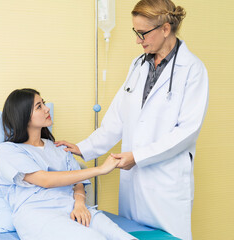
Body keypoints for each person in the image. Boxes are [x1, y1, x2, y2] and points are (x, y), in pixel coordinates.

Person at [55, 1, 209, 240]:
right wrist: (83, 147)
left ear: (166, 29)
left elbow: (187, 131)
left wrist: (138, 157)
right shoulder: (137, 65)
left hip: (166, 183)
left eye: (142, 33)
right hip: (133, 184)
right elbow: (117, 118)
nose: (138, 40)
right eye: (135, 33)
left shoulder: (192, 69)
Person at [0, 88, 137, 240]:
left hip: (73, 208)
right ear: (23, 116)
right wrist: (100, 169)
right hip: (38, 215)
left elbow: (78, 183)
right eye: (39, 106)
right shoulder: (8, 150)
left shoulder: (59, 148)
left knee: (123, 236)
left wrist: (80, 204)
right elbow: (46, 180)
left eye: (44, 103)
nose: (47, 108)